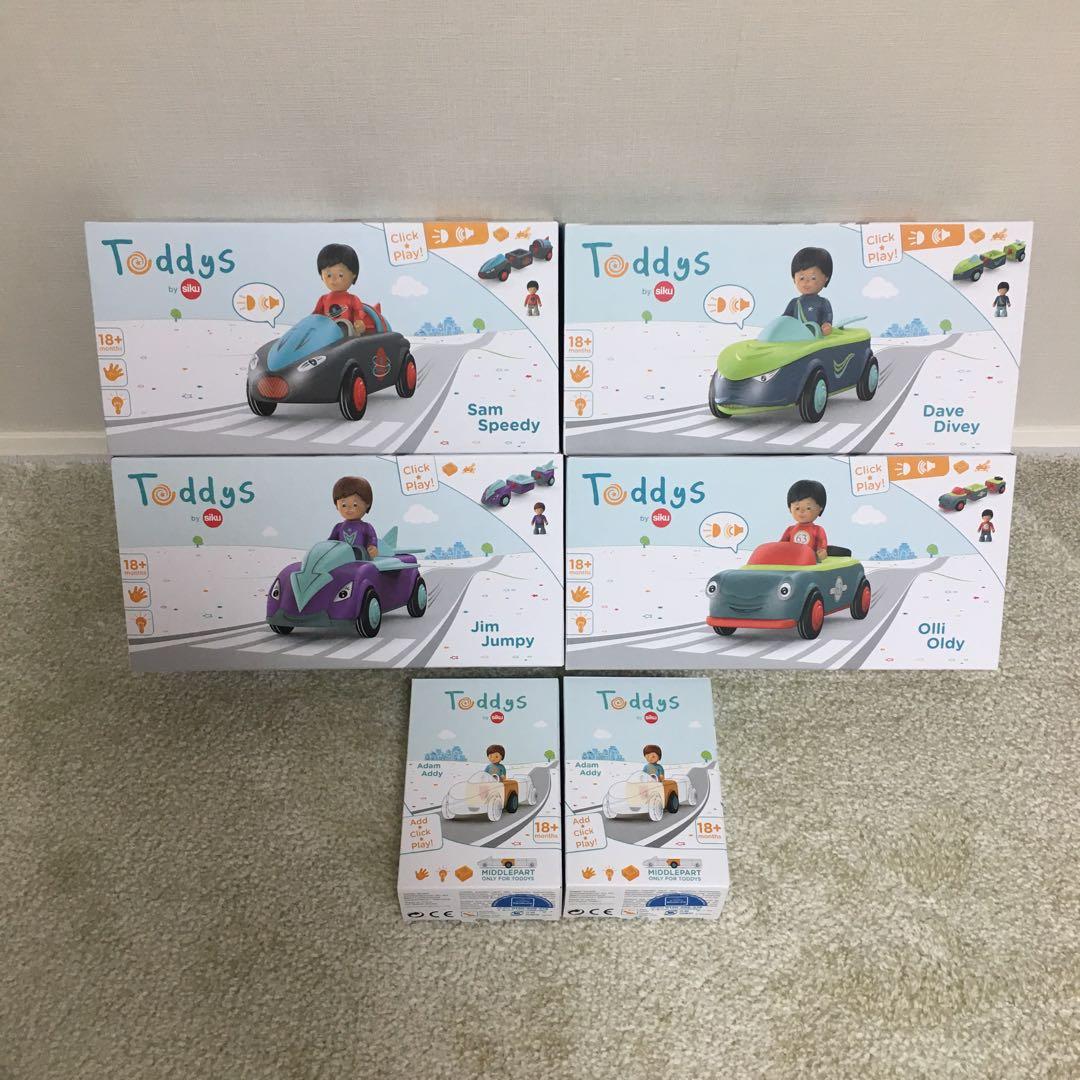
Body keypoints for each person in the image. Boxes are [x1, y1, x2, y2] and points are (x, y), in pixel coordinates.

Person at [312, 243, 375, 335]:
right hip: (327, 334)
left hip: (347, 333)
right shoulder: (323, 299)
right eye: (328, 275)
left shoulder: (352, 299)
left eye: (340, 275)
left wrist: (358, 322)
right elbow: (315, 315)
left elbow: (358, 313)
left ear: (353, 275)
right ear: (321, 275)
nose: (333, 279)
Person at [783, 247, 833, 334]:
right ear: (794, 279)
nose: (806, 282)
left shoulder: (823, 302)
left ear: (826, 278)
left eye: (813, 278)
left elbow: (827, 316)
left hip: (816, 336)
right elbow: (784, 319)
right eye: (801, 278)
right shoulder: (794, 302)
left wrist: (826, 325)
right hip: (796, 336)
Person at [329, 476, 378, 558]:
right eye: (344, 505)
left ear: (367, 504)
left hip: (361, 559)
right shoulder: (338, 527)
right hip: (341, 559)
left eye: (355, 505)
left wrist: (373, 547)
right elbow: (331, 542)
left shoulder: (366, 527)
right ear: (337, 505)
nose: (349, 508)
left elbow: (372, 538)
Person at [781, 479, 829, 561]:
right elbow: (781, 545)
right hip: (791, 561)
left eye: (808, 508)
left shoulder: (818, 530)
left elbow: (822, 544)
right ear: (790, 508)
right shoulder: (790, 530)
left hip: (810, 560)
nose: (801, 511)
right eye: (797, 508)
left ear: (820, 508)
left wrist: (821, 552)